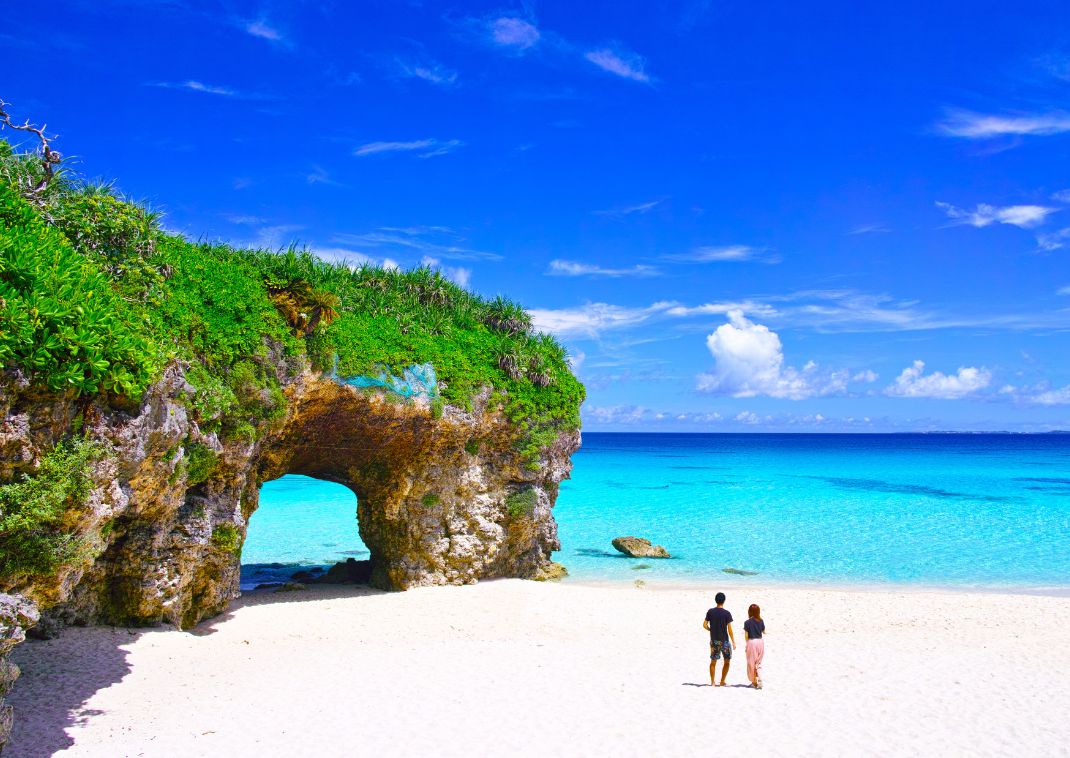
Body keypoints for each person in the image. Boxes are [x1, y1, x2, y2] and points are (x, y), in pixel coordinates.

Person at [702, 591, 735, 687]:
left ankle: (712, 682)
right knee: (727, 661)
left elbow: (704, 625)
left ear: (716, 600)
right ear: (724, 601)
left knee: (713, 661)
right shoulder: (727, 613)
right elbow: (730, 629)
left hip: (714, 641)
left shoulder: (710, 611)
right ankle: (722, 681)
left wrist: (710, 630)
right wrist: (733, 641)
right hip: (724, 641)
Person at [744, 603, 766, 689]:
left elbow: (746, 636)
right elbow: (764, 631)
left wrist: (747, 644)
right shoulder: (761, 620)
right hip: (760, 642)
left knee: (751, 663)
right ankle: (760, 678)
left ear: (749, 612)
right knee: (758, 663)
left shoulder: (747, 622)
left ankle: (754, 682)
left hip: (752, 642)